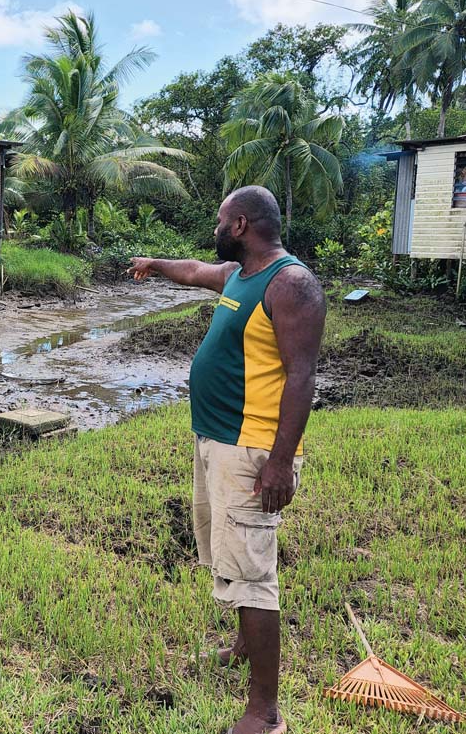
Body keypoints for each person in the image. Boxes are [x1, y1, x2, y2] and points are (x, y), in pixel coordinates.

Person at [126, 186, 325, 734]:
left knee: (253, 575)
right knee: (230, 558)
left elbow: (302, 377)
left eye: (220, 221)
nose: (214, 229)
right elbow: (194, 271)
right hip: (216, 441)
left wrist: (280, 463)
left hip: (252, 451)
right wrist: (154, 264)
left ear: (239, 225)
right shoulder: (240, 275)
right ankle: (241, 645)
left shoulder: (290, 284)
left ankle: (264, 712)